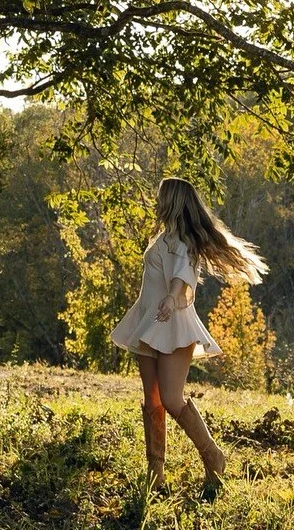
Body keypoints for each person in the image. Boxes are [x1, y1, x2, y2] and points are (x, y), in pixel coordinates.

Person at [112, 176, 267, 496]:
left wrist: (171, 297)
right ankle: (155, 476)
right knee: (152, 400)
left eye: (161, 197)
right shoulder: (163, 237)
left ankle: (213, 456)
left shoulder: (181, 242)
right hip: (148, 323)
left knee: (170, 398)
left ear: (173, 201)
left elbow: (181, 277)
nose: (157, 202)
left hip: (173, 323)